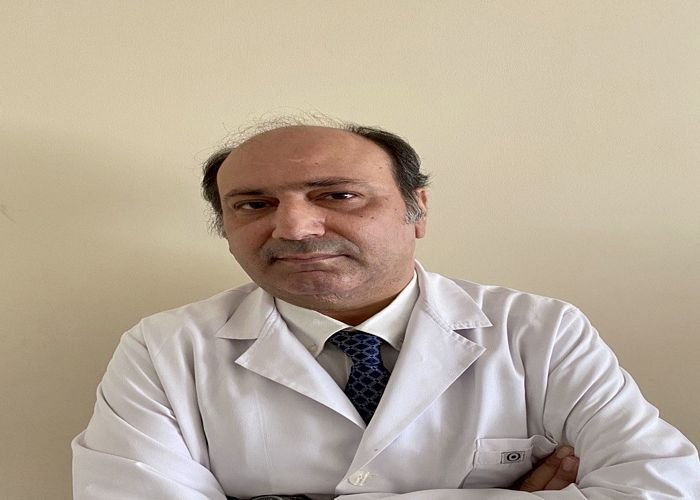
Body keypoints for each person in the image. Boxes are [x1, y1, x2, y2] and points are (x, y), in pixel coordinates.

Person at [72, 118, 700, 499]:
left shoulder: (539, 330)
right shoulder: (165, 349)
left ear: (416, 210)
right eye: (253, 205)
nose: (294, 227)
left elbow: (661, 486)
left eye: (337, 195)